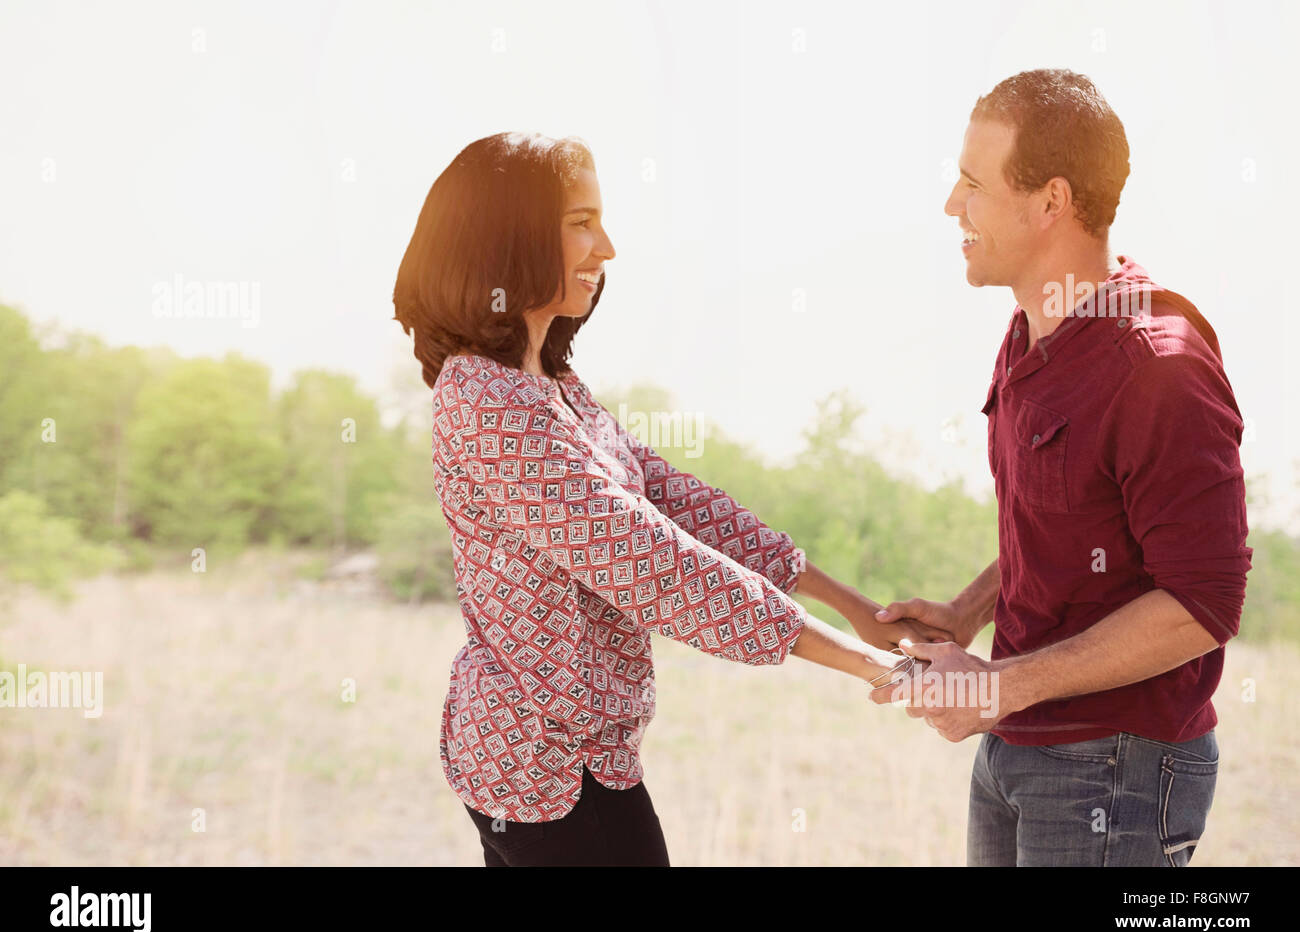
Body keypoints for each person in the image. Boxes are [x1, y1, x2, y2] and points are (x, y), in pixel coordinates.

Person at [393, 132, 935, 866]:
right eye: (581, 221)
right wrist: (867, 666)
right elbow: (644, 560)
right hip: (538, 769)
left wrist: (855, 607)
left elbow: (680, 507)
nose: (606, 247)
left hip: (590, 759)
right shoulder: (486, 398)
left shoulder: (555, 392)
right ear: (509, 236)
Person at [871, 69, 1252, 866]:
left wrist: (997, 687)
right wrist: (970, 609)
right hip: (1020, 747)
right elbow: (1068, 521)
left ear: (1050, 202)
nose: (952, 206)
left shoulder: (1159, 365)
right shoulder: (1028, 335)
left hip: (1115, 771)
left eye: (973, 184)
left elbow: (1202, 602)